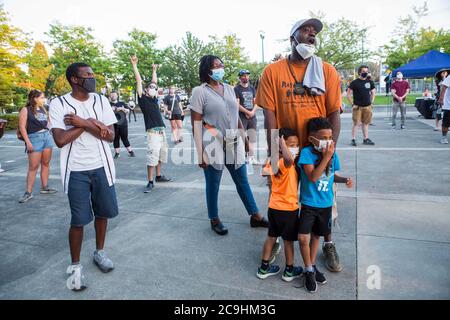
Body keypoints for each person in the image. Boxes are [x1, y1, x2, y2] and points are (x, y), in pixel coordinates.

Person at [255, 18, 344, 273]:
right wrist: (275, 154)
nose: (311, 35)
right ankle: (280, 238)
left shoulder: (327, 71)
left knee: (324, 199)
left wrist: (330, 148)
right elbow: (269, 117)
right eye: (306, 30)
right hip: (288, 150)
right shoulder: (272, 72)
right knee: (282, 198)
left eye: (314, 32)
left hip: (317, 150)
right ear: (292, 36)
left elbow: (334, 114)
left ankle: (327, 242)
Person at [49, 62, 119, 291]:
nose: (92, 77)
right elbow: (60, 140)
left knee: (103, 213)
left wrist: (81, 122)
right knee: (78, 220)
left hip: (102, 167)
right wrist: (92, 125)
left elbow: (110, 136)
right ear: (74, 79)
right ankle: (76, 266)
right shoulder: (59, 104)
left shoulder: (101, 100)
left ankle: (99, 252)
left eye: (92, 73)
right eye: (87, 75)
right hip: (76, 170)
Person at [190, 55, 269, 236]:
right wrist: (200, 153)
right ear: (207, 69)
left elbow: (236, 118)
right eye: (216, 66)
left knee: (242, 180)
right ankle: (214, 218)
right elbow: (196, 124)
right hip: (212, 142)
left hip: (234, 139)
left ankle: (255, 215)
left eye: (221, 65)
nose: (220, 68)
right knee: (213, 183)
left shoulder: (229, 89)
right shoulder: (199, 92)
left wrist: (246, 140)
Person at [298, 117, 353, 293]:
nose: (328, 142)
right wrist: (326, 156)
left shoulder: (332, 154)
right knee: (303, 238)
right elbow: (313, 177)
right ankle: (307, 269)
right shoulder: (307, 153)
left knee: (316, 236)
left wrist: (344, 179)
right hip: (309, 203)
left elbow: (330, 175)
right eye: (323, 138)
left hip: (326, 204)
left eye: (330, 137)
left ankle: (312, 267)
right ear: (311, 138)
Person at [256, 129, 303, 282]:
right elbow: (289, 160)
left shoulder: (272, 161)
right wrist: (282, 144)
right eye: (291, 145)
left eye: (297, 145)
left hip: (274, 207)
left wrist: (280, 149)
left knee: (271, 237)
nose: (295, 148)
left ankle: (264, 268)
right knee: (288, 241)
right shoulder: (284, 162)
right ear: (281, 147)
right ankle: (289, 270)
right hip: (288, 209)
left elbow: (263, 172)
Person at [130, 56, 172, 193]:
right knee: (152, 157)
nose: (153, 88)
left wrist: (154, 70)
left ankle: (158, 176)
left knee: (161, 155)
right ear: (146, 90)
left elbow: (154, 81)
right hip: (152, 133)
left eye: (155, 87)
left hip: (162, 132)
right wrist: (135, 65)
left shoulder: (154, 100)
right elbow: (138, 81)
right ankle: (150, 181)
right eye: (151, 87)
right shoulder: (143, 99)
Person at [18, 90, 57, 203]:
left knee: (45, 163)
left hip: (46, 137)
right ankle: (28, 193)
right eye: (41, 97)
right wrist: (28, 142)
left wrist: (50, 129)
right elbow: (22, 127)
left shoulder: (43, 109)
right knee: (33, 167)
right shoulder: (25, 110)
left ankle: (44, 187)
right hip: (34, 138)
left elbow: (49, 123)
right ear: (35, 98)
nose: (43, 99)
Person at [347, 65, 376, 146]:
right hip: (357, 107)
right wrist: (352, 104)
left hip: (367, 107)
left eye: (367, 71)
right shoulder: (354, 82)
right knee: (356, 123)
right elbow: (348, 94)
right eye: (363, 72)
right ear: (359, 72)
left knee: (366, 123)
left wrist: (371, 102)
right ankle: (353, 139)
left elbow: (373, 92)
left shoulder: (370, 82)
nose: (365, 73)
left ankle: (365, 139)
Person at [234, 69, 259, 164]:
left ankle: (251, 157)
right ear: (240, 78)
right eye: (243, 76)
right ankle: (242, 155)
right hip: (242, 117)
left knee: (251, 137)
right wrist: (246, 112)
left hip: (252, 116)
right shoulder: (236, 89)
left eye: (247, 75)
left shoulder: (252, 88)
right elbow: (237, 104)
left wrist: (252, 112)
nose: (246, 77)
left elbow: (256, 102)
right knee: (242, 137)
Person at [110, 91, 135, 159]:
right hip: (113, 124)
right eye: (111, 95)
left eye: (114, 95)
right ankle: (117, 153)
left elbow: (128, 110)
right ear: (110, 96)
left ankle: (130, 151)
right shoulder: (108, 104)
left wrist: (122, 108)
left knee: (124, 138)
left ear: (117, 96)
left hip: (123, 123)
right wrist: (113, 109)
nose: (113, 96)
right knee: (116, 139)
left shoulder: (122, 103)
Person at [438, 72, 450, 144]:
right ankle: (444, 137)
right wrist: (441, 98)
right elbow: (444, 86)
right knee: (446, 123)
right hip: (449, 106)